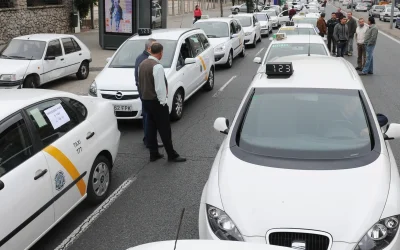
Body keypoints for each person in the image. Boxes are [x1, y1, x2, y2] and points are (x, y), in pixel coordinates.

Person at [138, 43, 186, 162]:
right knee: (164, 129)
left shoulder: (142, 64)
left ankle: (153, 153)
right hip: (156, 102)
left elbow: (140, 83)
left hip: (145, 100)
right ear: (160, 52)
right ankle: (171, 155)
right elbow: (160, 88)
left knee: (151, 127)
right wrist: (163, 102)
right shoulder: (157, 67)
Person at [135, 38, 163, 149]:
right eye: (154, 46)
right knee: (149, 118)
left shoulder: (140, 58)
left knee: (147, 117)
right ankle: (150, 140)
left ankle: (148, 139)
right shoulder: (147, 60)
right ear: (149, 48)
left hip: (144, 92)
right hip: (148, 94)